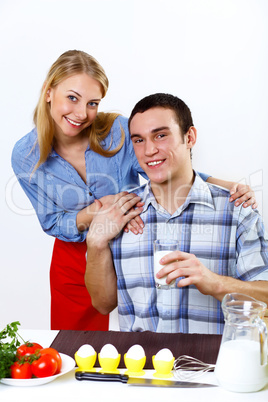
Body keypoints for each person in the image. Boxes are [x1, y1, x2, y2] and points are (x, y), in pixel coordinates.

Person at [11, 50, 256, 331]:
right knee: (75, 346)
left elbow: (165, 170)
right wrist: (102, 209)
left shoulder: (117, 130)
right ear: (48, 92)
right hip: (74, 254)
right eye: (72, 98)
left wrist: (226, 187)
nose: (81, 113)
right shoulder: (25, 155)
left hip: (133, 234)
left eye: (93, 103)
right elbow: (52, 221)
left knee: (154, 321)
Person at [85, 93, 268, 334]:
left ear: (189, 137)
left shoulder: (236, 211)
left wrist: (213, 282)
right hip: (141, 367)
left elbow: (264, 296)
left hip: (212, 366)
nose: (149, 150)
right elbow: (102, 304)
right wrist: (95, 242)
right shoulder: (121, 214)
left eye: (160, 135)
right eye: (139, 140)